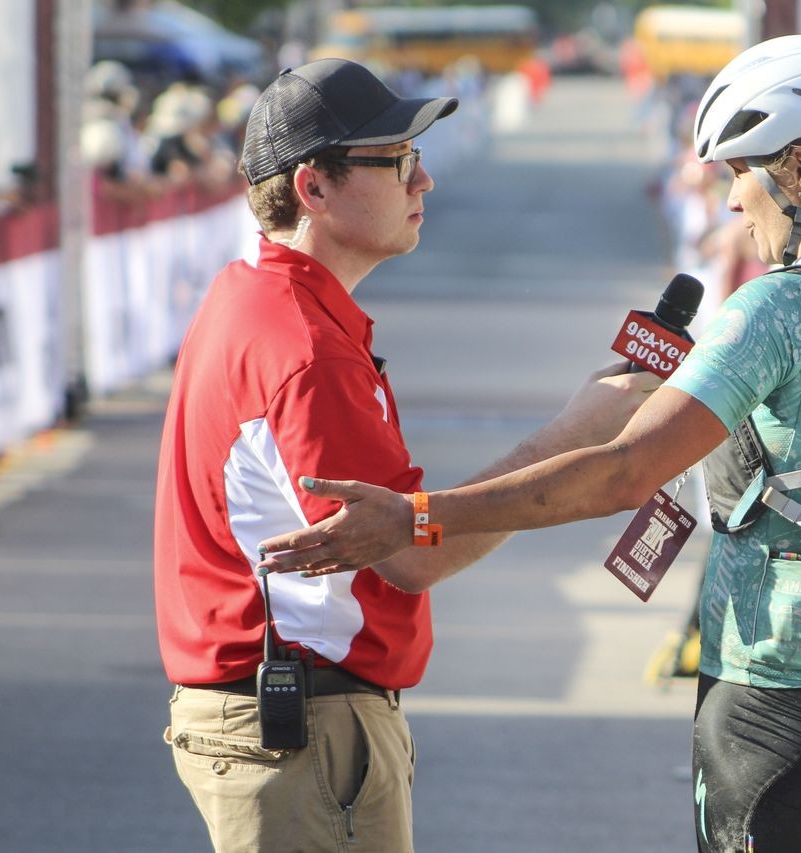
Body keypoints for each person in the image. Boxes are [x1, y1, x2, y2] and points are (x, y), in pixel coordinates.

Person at [258, 36, 801, 852]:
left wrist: (419, 517)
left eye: (740, 173)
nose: (731, 199)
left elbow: (622, 473)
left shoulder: (775, 310)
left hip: (777, 714)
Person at [153, 58, 655, 853]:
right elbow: (413, 551)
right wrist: (574, 433)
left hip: (281, 713)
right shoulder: (302, 344)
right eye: (399, 162)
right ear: (312, 186)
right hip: (303, 721)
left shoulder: (255, 294)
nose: (423, 183)